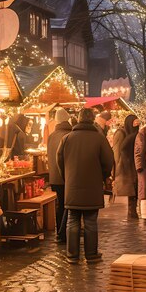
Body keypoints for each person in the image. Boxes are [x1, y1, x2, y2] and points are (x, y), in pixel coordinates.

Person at [57, 107, 114, 264]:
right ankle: (91, 254)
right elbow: (109, 161)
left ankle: (72, 255)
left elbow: (59, 162)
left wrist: (67, 178)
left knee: (72, 219)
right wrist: (102, 176)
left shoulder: (67, 138)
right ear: (92, 119)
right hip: (92, 186)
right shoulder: (99, 138)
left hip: (72, 186)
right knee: (90, 221)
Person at [47, 108, 72, 242]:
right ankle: (63, 233)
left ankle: (60, 232)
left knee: (59, 204)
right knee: (68, 205)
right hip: (67, 176)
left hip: (55, 177)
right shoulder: (69, 135)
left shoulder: (51, 136)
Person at [113, 114, 139, 218]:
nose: (136, 125)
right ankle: (131, 211)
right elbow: (117, 152)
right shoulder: (121, 133)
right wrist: (118, 166)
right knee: (130, 188)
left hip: (134, 164)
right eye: (134, 123)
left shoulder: (134, 134)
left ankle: (132, 211)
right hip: (125, 165)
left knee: (134, 188)